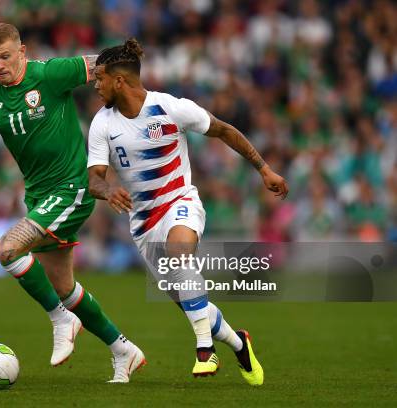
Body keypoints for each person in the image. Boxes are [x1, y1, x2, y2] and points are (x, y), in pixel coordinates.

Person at [0, 23, 145, 383]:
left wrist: (127, 67)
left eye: (5, 56)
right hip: (40, 196)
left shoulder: (50, 73)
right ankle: (123, 350)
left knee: (7, 249)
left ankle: (61, 320)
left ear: (22, 51)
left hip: (73, 188)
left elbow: (99, 65)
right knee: (63, 287)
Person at [87, 38, 289, 386]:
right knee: (192, 302)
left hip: (180, 202)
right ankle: (240, 343)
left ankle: (204, 350)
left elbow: (224, 130)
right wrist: (107, 190)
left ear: (119, 80)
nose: (95, 84)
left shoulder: (171, 107)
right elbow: (94, 179)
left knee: (180, 255)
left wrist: (264, 169)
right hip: (144, 224)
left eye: (100, 77)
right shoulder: (102, 123)